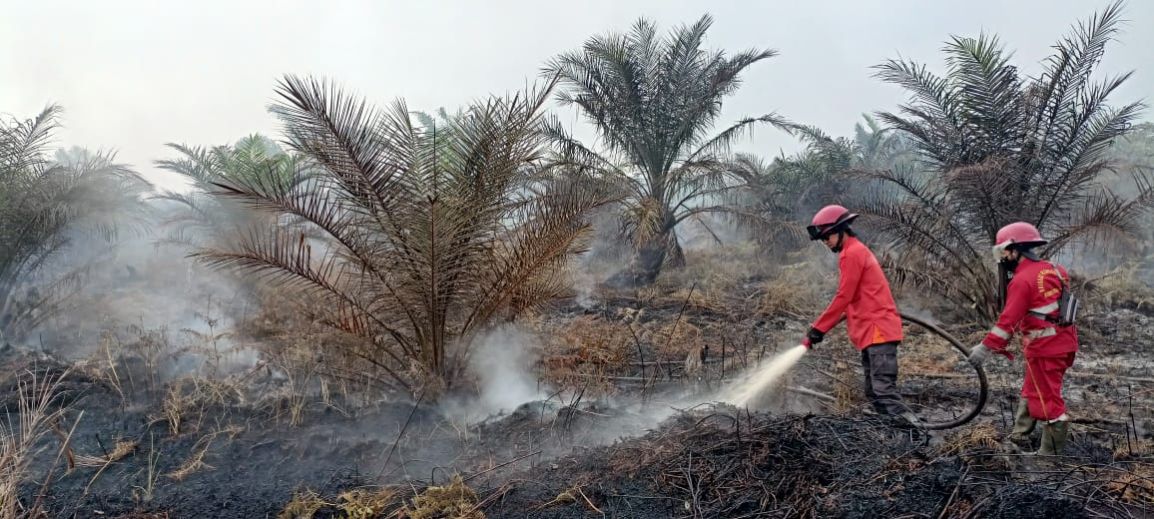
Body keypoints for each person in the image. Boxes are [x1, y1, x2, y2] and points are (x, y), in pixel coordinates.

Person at [968, 222, 1079, 455]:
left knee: (1048, 401)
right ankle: (1020, 435)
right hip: (1064, 343)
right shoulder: (1056, 269)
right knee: (1032, 387)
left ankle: (1049, 459)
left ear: (1014, 249)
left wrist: (985, 347)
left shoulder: (1022, 280)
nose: (1002, 257)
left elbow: (1007, 321)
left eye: (1003, 251)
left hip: (1045, 347)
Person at [802, 205, 915, 424]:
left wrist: (818, 329)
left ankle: (916, 436)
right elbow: (852, 298)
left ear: (842, 229)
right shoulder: (854, 251)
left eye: (828, 236)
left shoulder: (852, 253)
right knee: (873, 392)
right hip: (872, 333)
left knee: (884, 391)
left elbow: (843, 296)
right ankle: (896, 435)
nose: (826, 242)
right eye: (823, 239)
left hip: (878, 332)